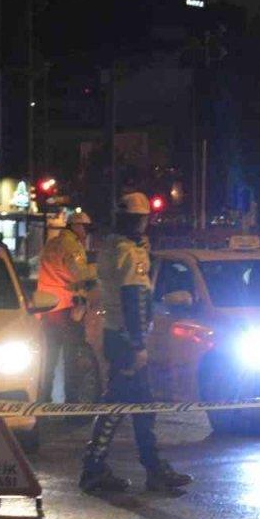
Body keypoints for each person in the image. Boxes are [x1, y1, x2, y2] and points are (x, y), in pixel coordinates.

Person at [79, 192, 191, 493]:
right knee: (122, 404)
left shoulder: (115, 247)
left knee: (134, 405)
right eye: (141, 219)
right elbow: (133, 298)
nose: (144, 225)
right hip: (127, 339)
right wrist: (139, 343)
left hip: (119, 336)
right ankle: (100, 469)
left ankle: (145, 468)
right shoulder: (127, 252)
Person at [37, 211, 97, 404]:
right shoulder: (72, 246)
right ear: (77, 227)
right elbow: (78, 274)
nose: (86, 233)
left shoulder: (52, 243)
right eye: (85, 228)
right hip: (67, 310)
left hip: (46, 309)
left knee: (48, 360)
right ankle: (72, 405)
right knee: (72, 360)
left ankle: (43, 401)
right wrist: (99, 268)